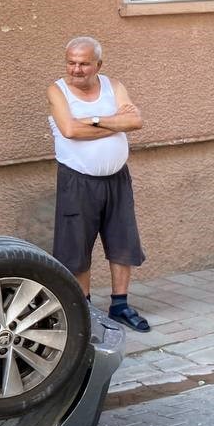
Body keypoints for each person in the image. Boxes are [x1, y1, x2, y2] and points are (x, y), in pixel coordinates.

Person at [47, 36, 149, 332]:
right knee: (76, 247)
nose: (76, 69)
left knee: (122, 241)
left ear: (98, 65)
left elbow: (135, 122)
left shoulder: (114, 86)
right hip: (77, 181)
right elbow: (69, 129)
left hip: (117, 179)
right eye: (71, 62)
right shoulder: (57, 91)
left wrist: (90, 121)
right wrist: (111, 122)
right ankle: (86, 310)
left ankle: (120, 305)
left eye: (83, 63)